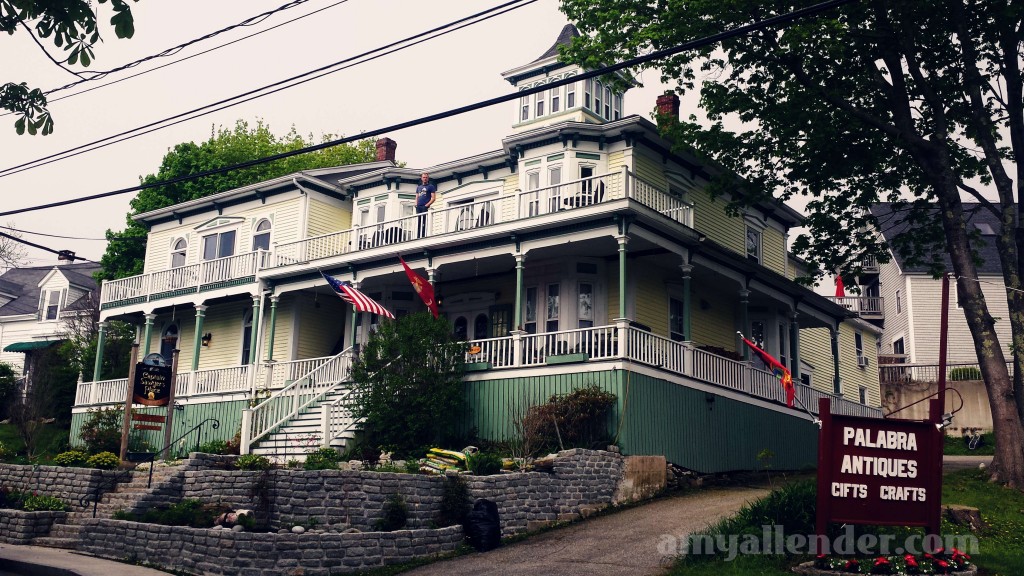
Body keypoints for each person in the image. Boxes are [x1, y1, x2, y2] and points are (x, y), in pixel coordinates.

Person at [415, 172, 436, 238]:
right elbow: (417, 197)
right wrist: (416, 204)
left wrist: (426, 205)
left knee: (424, 221)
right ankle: (418, 236)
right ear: (421, 178)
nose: (425, 179)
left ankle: (423, 235)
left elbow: (433, 198)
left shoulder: (431, 187)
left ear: (428, 178)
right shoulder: (419, 187)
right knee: (419, 221)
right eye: (424, 177)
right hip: (419, 206)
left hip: (425, 206)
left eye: (426, 177)